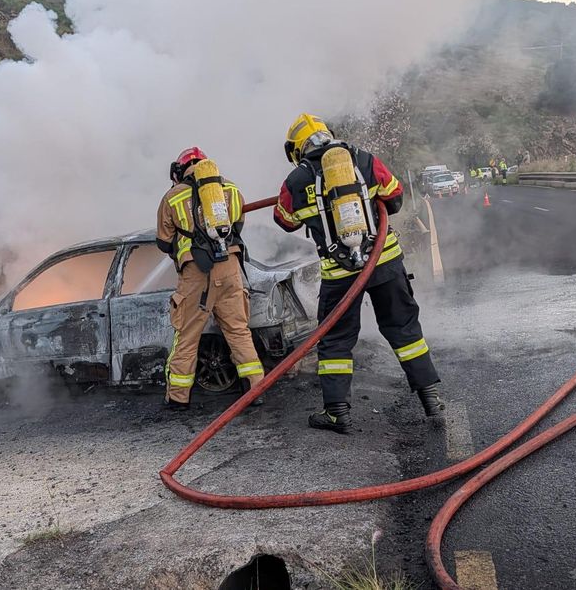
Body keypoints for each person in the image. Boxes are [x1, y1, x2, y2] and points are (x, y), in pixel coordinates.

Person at [274, 114, 444, 434]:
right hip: (384, 260)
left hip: (339, 273)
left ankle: (337, 411)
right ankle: (430, 396)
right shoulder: (362, 158)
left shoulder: (296, 180)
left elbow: (284, 220)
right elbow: (394, 198)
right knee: (404, 329)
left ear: (296, 149)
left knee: (336, 340)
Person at [156, 147, 265, 410]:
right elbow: (237, 225)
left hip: (196, 274)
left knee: (187, 336)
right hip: (230, 269)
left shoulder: (172, 196)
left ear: (180, 170)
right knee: (238, 331)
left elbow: (163, 241)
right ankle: (255, 390)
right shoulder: (230, 189)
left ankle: (178, 398)